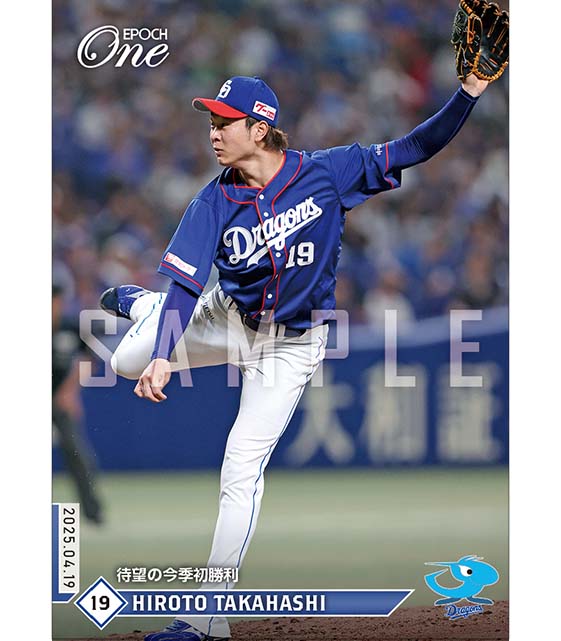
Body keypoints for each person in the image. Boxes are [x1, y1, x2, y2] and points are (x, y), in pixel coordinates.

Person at [100, 71, 490, 640]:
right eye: (211, 122)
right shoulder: (213, 200)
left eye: (225, 123)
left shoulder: (326, 173)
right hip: (225, 319)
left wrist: (469, 93)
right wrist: (164, 354)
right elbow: (185, 284)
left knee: (240, 468)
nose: (213, 133)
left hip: (291, 346)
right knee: (124, 363)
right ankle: (146, 308)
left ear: (260, 129)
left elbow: (415, 147)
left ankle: (207, 619)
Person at [53, 282, 104, 524]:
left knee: (79, 456)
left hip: (59, 402)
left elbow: (89, 358)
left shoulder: (70, 327)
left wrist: (70, 391)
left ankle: (93, 511)